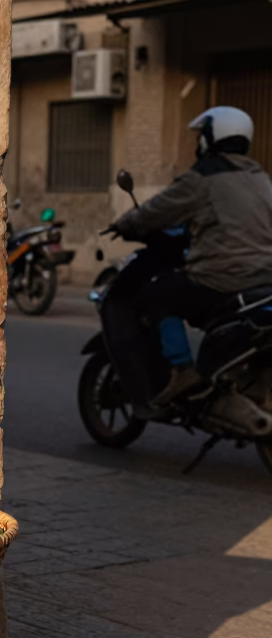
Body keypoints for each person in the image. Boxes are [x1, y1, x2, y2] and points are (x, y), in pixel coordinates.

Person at [108, 105, 272, 412]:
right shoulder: (260, 176)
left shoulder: (203, 177)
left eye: (201, 136)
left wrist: (126, 223)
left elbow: (158, 210)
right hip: (265, 278)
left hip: (223, 275)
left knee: (154, 297)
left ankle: (182, 370)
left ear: (213, 136)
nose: (198, 144)